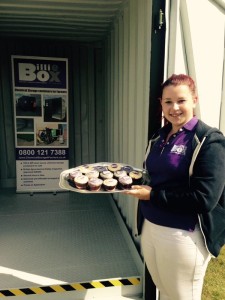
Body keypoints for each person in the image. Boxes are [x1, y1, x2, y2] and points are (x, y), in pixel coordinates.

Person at [125, 74, 225, 300]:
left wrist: (153, 195)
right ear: (161, 103)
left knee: (182, 296)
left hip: (182, 234)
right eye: (168, 102)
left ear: (194, 100)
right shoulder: (159, 136)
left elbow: (204, 198)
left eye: (181, 100)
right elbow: (154, 177)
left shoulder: (209, 140)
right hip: (151, 226)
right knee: (164, 290)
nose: (175, 108)